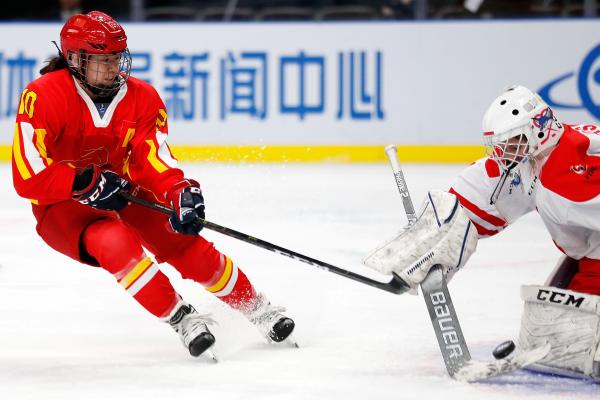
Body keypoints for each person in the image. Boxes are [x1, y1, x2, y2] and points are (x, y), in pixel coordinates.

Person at [11, 11, 295, 358]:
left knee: (184, 242)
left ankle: (257, 308)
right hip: (63, 205)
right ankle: (182, 318)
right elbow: (28, 174)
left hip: (122, 189)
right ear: (75, 59)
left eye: (116, 58)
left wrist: (179, 190)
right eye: (103, 60)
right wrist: (82, 182)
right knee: (115, 243)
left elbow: (151, 156)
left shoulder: (142, 97)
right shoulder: (43, 95)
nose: (113, 67)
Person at [365, 85, 600, 379]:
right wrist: (433, 232)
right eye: (500, 145)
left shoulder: (564, 183)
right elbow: (479, 190)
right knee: (558, 330)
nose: (503, 152)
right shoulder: (539, 155)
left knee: (570, 337)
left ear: (538, 130)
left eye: (510, 142)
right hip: (590, 253)